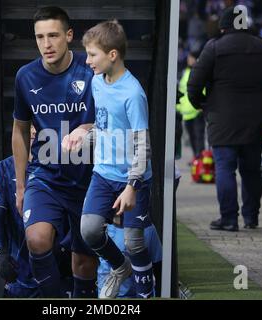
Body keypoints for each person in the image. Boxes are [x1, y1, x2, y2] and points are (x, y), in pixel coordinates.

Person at [11, 6, 98, 298]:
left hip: (89, 179)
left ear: (69, 35)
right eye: (39, 37)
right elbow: (20, 130)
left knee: (84, 261)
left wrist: (88, 129)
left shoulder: (92, 70)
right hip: (46, 177)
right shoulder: (25, 76)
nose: (46, 44)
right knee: (36, 238)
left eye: (53, 35)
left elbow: (116, 120)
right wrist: (20, 185)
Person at [188, 6, 262, 231]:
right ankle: (252, 217)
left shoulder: (214, 48)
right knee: (251, 170)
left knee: (225, 168)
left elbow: (194, 85)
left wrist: (202, 106)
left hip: (222, 120)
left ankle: (229, 219)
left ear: (224, 26)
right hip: (256, 119)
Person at [76, 20, 154, 299]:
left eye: (92, 55)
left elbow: (142, 143)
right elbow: (106, 125)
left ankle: (146, 294)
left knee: (134, 243)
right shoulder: (97, 82)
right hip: (103, 173)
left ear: (112, 55)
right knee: (89, 230)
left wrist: (132, 185)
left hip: (132, 178)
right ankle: (119, 268)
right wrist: (83, 135)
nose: (87, 61)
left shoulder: (133, 93)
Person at [0, 156, 74, 298]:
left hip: (61, 269)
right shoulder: (4, 168)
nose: (34, 132)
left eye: (38, 130)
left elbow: (77, 213)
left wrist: (64, 247)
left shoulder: (63, 164)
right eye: (28, 131)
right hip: (20, 274)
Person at [97, 220, 162, 298]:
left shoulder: (148, 228)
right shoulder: (103, 228)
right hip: (110, 294)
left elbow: (158, 265)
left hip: (141, 294)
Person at [176, 50, 206, 161]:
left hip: (197, 111)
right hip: (187, 113)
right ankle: (196, 159)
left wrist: (202, 106)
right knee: (193, 138)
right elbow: (182, 91)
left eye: (191, 58)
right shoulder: (187, 72)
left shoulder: (199, 71)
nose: (189, 59)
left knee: (199, 138)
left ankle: (201, 161)